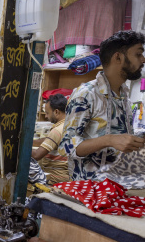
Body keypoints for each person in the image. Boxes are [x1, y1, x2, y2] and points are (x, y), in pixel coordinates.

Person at [59, 30, 145, 181]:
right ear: (118, 57)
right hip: (90, 189)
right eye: (138, 54)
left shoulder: (123, 95)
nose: (143, 59)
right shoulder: (86, 94)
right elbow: (67, 146)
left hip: (117, 183)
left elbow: (120, 143)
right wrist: (109, 140)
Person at [30, 94, 69, 184]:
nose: (46, 116)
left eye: (47, 113)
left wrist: (19, 148)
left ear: (56, 112)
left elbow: (37, 155)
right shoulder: (68, 126)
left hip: (55, 179)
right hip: (65, 176)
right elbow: (47, 140)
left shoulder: (57, 131)